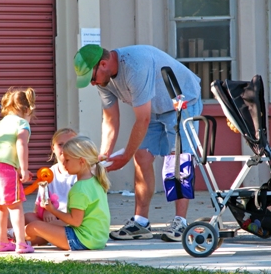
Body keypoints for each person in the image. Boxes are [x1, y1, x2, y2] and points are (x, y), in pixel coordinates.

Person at [73, 44, 203, 242]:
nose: (92, 84)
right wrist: (104, 156)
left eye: (91, 78)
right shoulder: (103, 82)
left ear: (104, 64)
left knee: (177, 160)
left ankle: (180, 223)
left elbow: (142, 120)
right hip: (152, 109)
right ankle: (141, 223)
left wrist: (124, 156)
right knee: (141, 156)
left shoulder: (135, 66)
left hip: (182, 102)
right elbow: (110, 120)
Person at [25, 136, 111, 250]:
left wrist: (52, 210)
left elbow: (75, 221)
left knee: (34, 227)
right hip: (97, 239)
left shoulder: (79, 188)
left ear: (81, 161)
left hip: (81, 240)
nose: (63, 163)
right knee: (50, 226)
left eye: (67, 160)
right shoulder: (95, 181)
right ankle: (27, 242)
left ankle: (12, 237)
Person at [0, 87, 36, 254]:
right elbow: (21, 144)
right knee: (16, 206)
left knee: (1, 206)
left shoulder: (0, 123)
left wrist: (18, 168)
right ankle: (21, 243)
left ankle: (3, 242)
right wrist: (25, 169)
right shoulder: (22, 123)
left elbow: (6, 148)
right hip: (4, 168)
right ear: (27, 109)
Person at [24, 128, 78, 246]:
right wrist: (46, 212)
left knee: (38, 228)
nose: (65, 149)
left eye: (70, 144)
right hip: (51, 219)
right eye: (60, 145)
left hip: (70, 220)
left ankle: (13, 236)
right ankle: (16, 237)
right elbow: (38, 207)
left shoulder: (80, 174)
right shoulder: (48, 173)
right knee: (28, 217)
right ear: (53, 148)